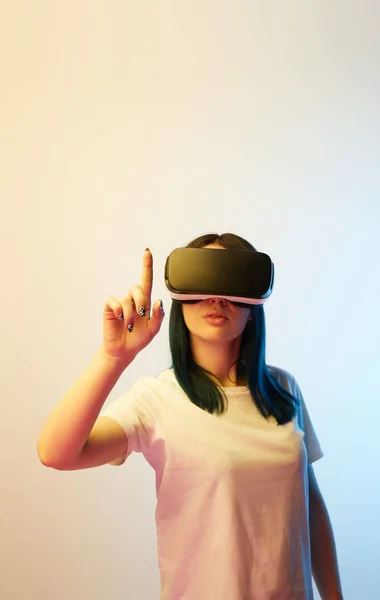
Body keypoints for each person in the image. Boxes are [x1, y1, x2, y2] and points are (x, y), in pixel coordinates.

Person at [37, 232, 343, 600]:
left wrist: (334, 595)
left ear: (253, 304)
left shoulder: (284, 389)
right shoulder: (157, 399)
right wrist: (113, 357)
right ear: (180, 299)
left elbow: (310, 504)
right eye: (202, 281)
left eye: (231, 283)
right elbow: (55, 453)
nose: (216, 298)